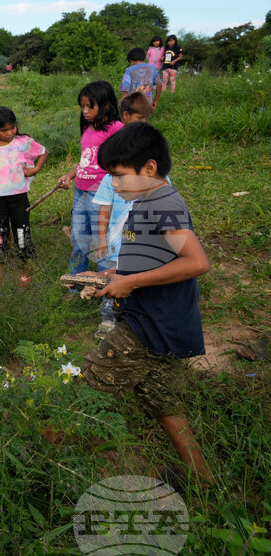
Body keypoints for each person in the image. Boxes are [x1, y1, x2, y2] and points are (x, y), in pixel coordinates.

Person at [83, 122, 215, 488]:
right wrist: (116, 272)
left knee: (80, 387)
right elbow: (149, 255)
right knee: (162, 399)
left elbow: (196, 262)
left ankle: (33, 465)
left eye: (120, 176)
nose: (115, 184)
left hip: (149, 325)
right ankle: (201, 477)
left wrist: (132, 282)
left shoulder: (165, 203)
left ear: (150, 168)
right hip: (157, 323)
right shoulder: (144, 201)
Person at [92, 92, 159, 338]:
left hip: (143, 249)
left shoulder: (157, 181)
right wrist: (101, 239)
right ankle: (108, 321)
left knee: (135, 287)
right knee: (112, 285)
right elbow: (104, 209)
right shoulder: (111, 179)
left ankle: (132, 325)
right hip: (116, 246)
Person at [56, 81, 124, 277]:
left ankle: (107, 289)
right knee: (79, 238)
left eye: (89, 106)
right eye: (82, 106)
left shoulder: (116, 129)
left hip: (100, 194)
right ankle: (76, 283)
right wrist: (69, 175)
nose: (85, 111)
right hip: (80, 190)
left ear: (106, 105)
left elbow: (122, 162)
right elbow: (86, 161)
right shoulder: (88, 128)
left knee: (101, 240)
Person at [0, 107, 47, 282]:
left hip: (19, 198)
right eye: (4, 130)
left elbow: (43, 152)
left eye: (12, 128)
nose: (9, 133)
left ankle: (26, 270)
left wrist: (35, 169)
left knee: (22, 232)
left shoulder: (22, 142)